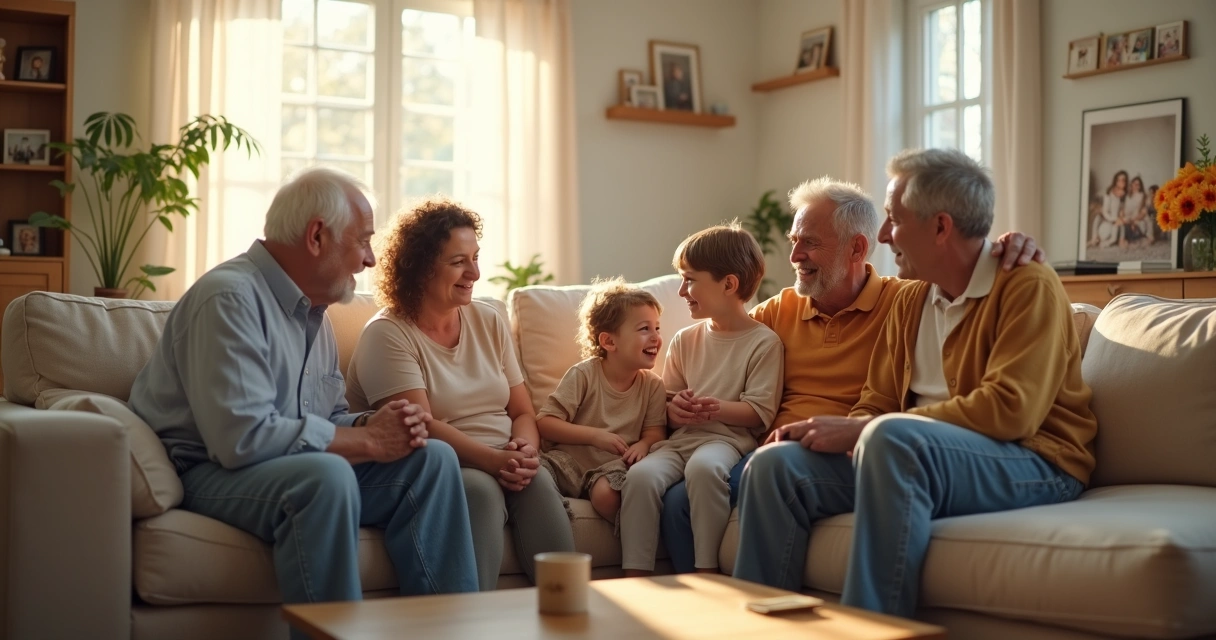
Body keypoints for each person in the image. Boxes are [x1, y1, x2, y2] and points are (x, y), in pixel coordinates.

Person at [732, 148, 1097, 618]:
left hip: (1037, 460)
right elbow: (877, 400)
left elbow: (1011, 411)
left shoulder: (1027, 286)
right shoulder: (910, 299)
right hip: (912, 456)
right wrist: (856, 428)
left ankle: (873, 629)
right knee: (774, 467)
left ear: (941, 227)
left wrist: (866, 430)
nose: (883, 235)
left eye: (893, 220)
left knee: (889, 435)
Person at [128, 168, 479, 635]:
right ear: (317, 236)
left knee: (432, 458)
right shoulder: (230, 298)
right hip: (209, 472)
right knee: (325, 475)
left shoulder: (315, 311)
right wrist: (369, 442)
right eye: (363, 241)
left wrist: (376, 423)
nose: (371, 259)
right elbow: (240, 440)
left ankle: (449, 633)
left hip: (285, 463)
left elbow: (328, 417)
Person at [659, 177, 1045, 575]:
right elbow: (722, 340)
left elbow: (962, 270)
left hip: (841, 449)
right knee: (676, 500)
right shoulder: (779, 310)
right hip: (765, 445)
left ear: (857, 248)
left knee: (699, 496)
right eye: (794, 240)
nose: (794, 255)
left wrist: (1008, 245)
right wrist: (666, 398)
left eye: (809, 242)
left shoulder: (901, 301)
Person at [345, 198, 575, 591]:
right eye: (458, 262)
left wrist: (523, 450)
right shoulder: (387, 334)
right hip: (445, 465)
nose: (475, 272)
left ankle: (573, 615)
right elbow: (420, 428)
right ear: (419, 267)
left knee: (536, 482)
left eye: (476, 257)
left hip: (504, 454)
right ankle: (468, 623)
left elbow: (522, 410)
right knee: (481, 491)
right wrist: (494, 461)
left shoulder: (488, 318)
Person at [621, 223, 784, 576]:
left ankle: (706, 570)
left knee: (704, 469)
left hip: (726, 441)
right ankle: (635, 575)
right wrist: (674, 409)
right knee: (640, 476)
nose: (681, 290)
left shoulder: (764, 343)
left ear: (729, 284)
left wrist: (715, 409)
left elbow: (758, 414)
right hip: (680, 442)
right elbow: (664, 404)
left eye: (690, 279)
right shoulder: (684, 339)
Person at [536, 278, 668, 524]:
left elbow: (655, 432)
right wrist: (595, 436)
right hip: (567, 462)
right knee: (533, 474)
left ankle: (632, 534)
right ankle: (553, 515)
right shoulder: (584, 374)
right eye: (644, 329)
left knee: (607, 495)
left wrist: (643, 445)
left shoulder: (653, 385)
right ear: (609, 341)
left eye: (657, 328)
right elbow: (546, 423)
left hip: (613, 467)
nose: (655, 337)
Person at [1088, 170, 1127, 248]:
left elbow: (1123, 212)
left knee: (1121, 223)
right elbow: (1105, 212)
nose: (1121, 182)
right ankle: (1094, 238)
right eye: (1118, 180)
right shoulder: (1109, 194)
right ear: (1115, 182)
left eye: (1123, 180)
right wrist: (1114, 219)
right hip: (1108, 220)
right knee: (1098, 216)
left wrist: (1120, 217)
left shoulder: (1125, 195)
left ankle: (1114, 241)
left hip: (1116, 223)